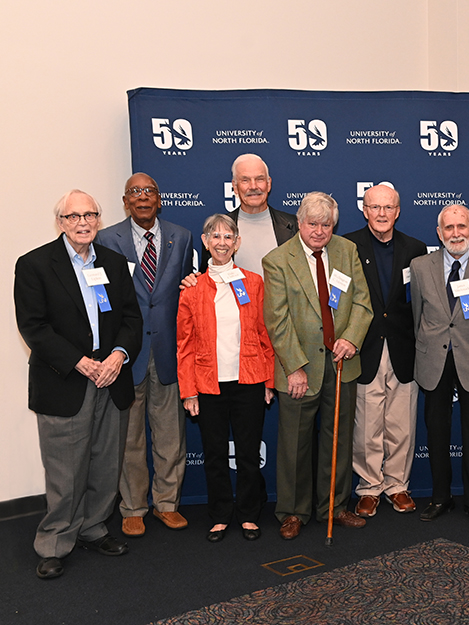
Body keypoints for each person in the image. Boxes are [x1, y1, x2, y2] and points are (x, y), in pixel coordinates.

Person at [15, 190, 142, 579]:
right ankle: (54, 542)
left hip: (111, 378)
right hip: (65, 381)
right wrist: (80, 362)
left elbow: (130, 319)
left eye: (90, 214)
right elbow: (33, 326)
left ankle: (92, 527)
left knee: (106, 463)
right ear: (61, 222)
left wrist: (118, 355)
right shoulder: (35, 264)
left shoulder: (115, 263)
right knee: (66, 471)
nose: (83, 222)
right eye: (74, 216)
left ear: (99, 219)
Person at [263, 192, 373, 539]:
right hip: (299, 368)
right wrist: (294, 366)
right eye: (313, 224)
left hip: (341, 364)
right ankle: (293, 511)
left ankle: (334, 506)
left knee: (337, 439)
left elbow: (361, 302)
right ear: (299, 223)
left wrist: (352, 338)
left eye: (326, 225)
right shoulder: (278, 260)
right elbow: (277, 321)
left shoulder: (346, 251)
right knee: (295, 444)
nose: (319, 231)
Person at [95, 173, 194, 537]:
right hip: (127, 353)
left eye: (149, 191)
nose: (142, 198)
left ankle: (167, 504)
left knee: (171, 435)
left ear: (159, 198)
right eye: (135, 192)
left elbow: (184, 293)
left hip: (168, 350)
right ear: (125, 201)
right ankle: (133, 507)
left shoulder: (181, 236)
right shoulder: (106, 239)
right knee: (130, 437)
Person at [177, 214, 275, 542]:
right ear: (205, 242)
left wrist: (269, 381)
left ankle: (248, 515)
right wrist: (189, 391)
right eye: (215, 236)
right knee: (215, 453)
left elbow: (264, 335)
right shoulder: (191, 290)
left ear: (237, 242)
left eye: (228, 236)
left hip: (248, 380)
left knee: (248, 453)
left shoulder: (253, 283)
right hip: (208, 384)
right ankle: (220, 515)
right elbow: (185, 345)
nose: (221, 242)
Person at [411, 204, 469, 525]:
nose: (456, 233)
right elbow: (416, 317)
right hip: (433, 360)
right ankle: (440, 497)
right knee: (436, 432)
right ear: (439, 233)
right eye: (448, 228)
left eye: (461, 226)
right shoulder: (420, 267)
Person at [343, 184, 427, 517]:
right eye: (375, 207)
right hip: (364, 346)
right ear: (364, 210)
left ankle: (397, 485)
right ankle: (368, 487)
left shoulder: (416, 249)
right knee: (366, 424)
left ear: (398, 211)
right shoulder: (347, 245)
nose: (381, 214)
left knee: (401, 421)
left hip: (404, 346)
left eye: (388, 207)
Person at [198, 153, 298, 276]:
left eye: (259, 179)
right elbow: (207, 276)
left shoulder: (295, 226)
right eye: (245, 180)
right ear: (235, 186)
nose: (253, 186)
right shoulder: (216, 231)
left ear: (269, 183)